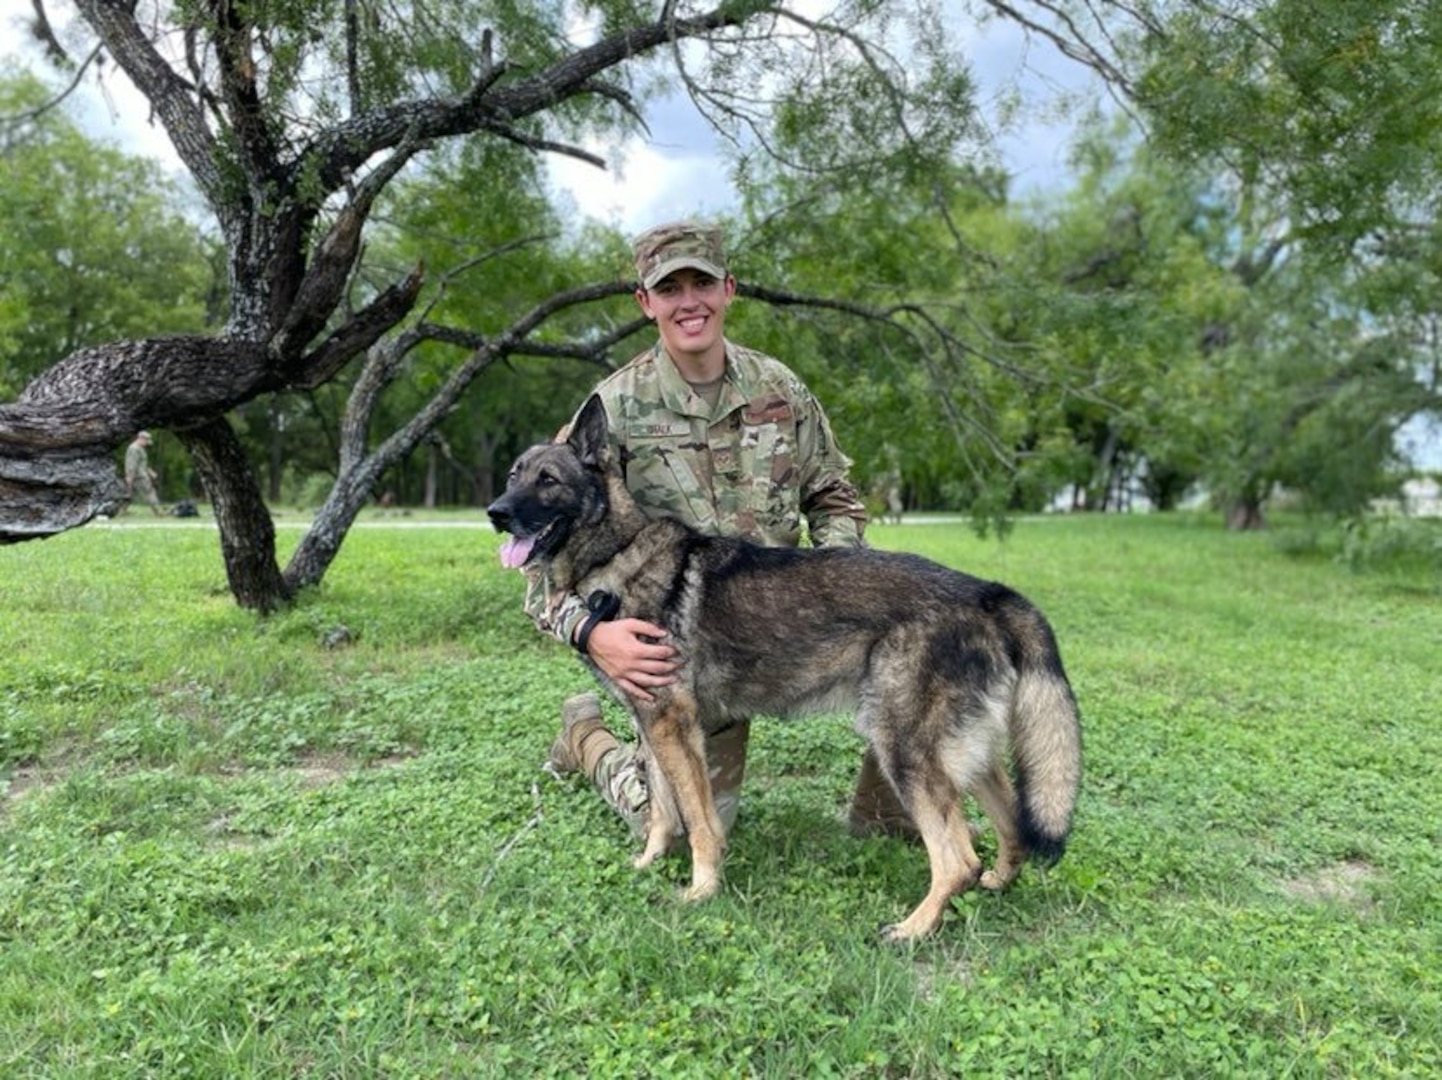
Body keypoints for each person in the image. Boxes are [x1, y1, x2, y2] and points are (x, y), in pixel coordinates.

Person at [523, 220, 915, 845]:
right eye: (669, 288)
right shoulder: (612, 410)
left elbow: (833, 493)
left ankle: (885, 809)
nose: (689, 302)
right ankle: (587, 740)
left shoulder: (779, 389)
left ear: (728, 289)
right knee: (677, 836)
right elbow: (543, 563)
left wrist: (837, 581)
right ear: (645, 303)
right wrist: (594, 635)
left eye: (701, 283)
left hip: (782, 629)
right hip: (682, 656)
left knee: (909, 640)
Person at [123, 431, 164, 516]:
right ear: (141, 439)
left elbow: (141, 463)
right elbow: (132, 464)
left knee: (128, 494)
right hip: (139, 476)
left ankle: (121, 511)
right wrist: (130, 477)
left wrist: (150, 471)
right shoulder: (134, 449)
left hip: (137, 475)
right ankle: (159, 511)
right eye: (146, 441)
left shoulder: (139, 448)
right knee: (150, 492)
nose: (147, 444)